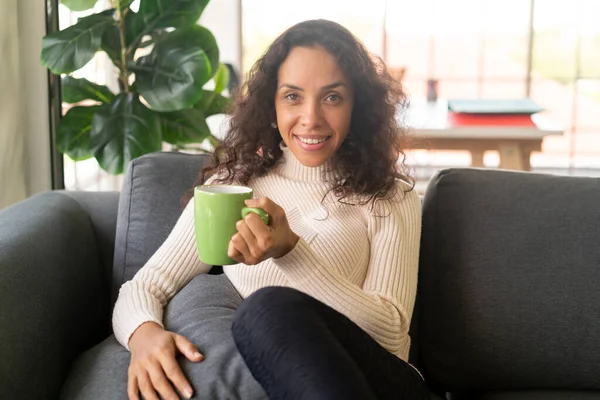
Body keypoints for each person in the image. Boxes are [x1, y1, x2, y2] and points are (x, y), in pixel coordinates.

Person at [113, 19, 429, 400]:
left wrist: (291, 251)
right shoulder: (231, 191)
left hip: (385, 382)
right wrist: (143, 335)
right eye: (293, 96)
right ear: (271, 103)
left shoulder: (390, 197)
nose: (311, 118)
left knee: (266, 309)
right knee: (260, 319)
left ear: (356, 106)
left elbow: (392, 336)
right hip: (296, 380)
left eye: (332, 97)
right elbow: (144, 286)